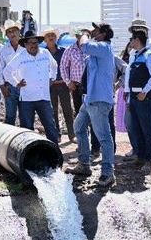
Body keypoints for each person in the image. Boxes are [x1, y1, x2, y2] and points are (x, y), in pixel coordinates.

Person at [65, 22, 117, 187]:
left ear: (103, 33)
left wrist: (84, 35)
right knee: (79, 127)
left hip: (99, 100)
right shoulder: (98, 50)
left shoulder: (104, 47)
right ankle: (84, 164)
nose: (93, 32)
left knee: (104, 137)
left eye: (96, 30)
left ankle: (108, 173)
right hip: (90, 99)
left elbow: (85, 46)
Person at [2, 30, 59, 143]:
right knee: (27, 129)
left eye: (35, 42)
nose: (33, 45)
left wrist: (52, 78)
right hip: (27, 99)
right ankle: (28, 152)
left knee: (50, 126)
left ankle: (55, 150)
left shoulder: (45, 53)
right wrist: (16, 83)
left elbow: (54, 65)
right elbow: (7, 72)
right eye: (30, 43)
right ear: (25, 44)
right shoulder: (20, 56)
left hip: (44, 97)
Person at [123, 30, 151, 173]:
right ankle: (140, 157)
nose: (130, 42)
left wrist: (145, 91)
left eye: (132, 39)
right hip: (134, 96)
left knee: (147, 129)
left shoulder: (148, 55)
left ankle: (149, 160)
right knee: (137, 127)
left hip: (144, 97)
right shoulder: (135, 55)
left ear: (137, 40)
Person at [128, 19, 151, 154]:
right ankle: (140, 152)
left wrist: (146, 90)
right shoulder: (134, 51)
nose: (136, 31)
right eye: (134, 29)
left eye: (139, 29)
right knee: (136, 125)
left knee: (148, 124)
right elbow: (129, 71)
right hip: (134, 93)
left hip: (146, 93)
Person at [42, 27, 74, 142]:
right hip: (50, 86)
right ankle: (57, 135)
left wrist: (69, 81)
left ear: (56, 38)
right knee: (52, 111)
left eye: (53, 35)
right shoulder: (42, 53)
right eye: (48, 36)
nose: (51, 37)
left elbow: (69, 66)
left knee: (67, 110)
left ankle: (72, 134)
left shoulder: (63, 51)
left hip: (63, 84)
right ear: (45, 39)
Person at [0, 19, 23, 125]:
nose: (12, 34)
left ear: (19, 31)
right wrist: (2, 87)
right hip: (10, 87)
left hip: (25, 86)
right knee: (10, 116)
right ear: (6, 35)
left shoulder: (26, 47)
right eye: (9, 32)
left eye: (14, 31)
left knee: (26, 115)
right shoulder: (3, 50)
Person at [60, 26, 89, 115]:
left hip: (90, 86)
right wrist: (68, 82)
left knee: (92, 111)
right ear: (77, 36)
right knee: (79, 112)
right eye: (81, 35)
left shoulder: (92, 49)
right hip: (76, 86)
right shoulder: (69, 50)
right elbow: (63, 67)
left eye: (86, 35)